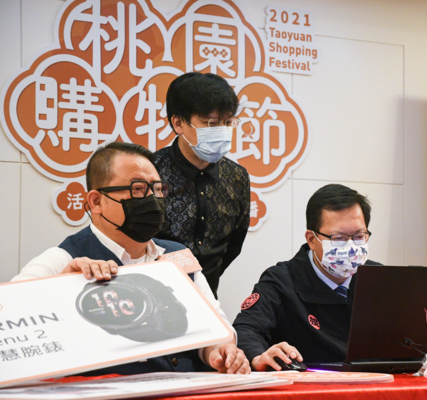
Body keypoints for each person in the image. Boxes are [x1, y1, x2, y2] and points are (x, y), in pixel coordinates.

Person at [12, 142, 249, 375]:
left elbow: (217, 329)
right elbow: (11, 323)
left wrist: (219, 352)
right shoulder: (64, 259)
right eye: (138, 189)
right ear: (96, 202)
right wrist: (59, 292)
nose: (153, 198)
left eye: (158, 189)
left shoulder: (177, 256)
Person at [233, 184, 379, 371]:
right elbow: (246, 330)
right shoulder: (281, 280)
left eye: (359, 236)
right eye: (338, 238)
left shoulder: (380, 279)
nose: (351, 247)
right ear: (311, 239)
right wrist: (258, 357)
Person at [154, 72, 250, 297]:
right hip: (154, 293)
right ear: (178, 123)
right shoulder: (151, 171)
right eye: (211, 123)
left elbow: (233, 244)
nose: (222, 130)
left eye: (227, 122)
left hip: (208, 297)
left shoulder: (237, 177)